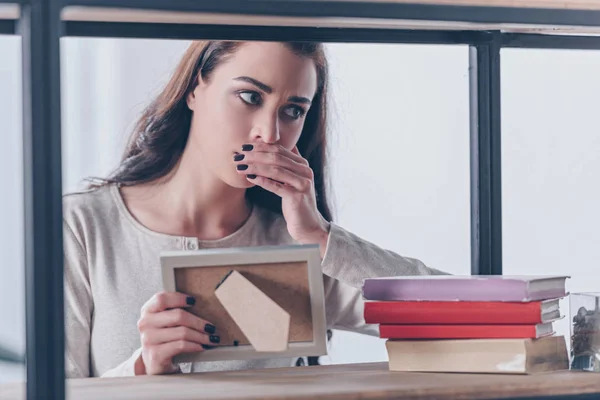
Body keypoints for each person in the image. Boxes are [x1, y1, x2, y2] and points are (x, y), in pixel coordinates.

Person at [62, 40, 446, 379]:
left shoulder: (300, 246)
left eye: (293, 111)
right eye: (250, 97)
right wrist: (139, 371)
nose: (269, 133)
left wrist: (319, 236)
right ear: (196, 88)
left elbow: (463, 317)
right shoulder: (81, 227)